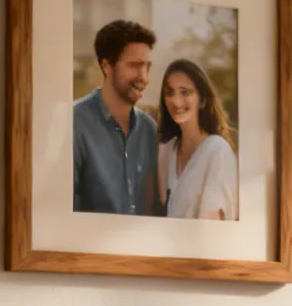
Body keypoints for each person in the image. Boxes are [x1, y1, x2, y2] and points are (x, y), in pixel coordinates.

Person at [74, 20, 162, 217]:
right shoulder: (74, 123)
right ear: (107, 66)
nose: (144, 77)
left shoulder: (149, 129)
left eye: (147, 66)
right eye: (134, 66)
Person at [156, 59, 239, 221]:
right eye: (169, 92)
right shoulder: (166, 153)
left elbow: (215, 229)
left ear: (202, 100)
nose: (176, 101)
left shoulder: (217, 152)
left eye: (185, 92)